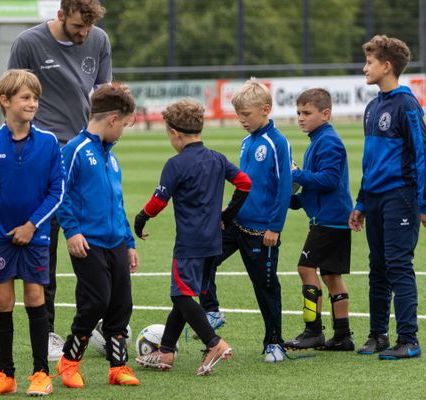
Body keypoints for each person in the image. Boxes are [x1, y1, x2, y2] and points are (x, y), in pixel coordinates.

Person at [7, 0, 112, 360]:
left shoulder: (99, 40)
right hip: (44, 156)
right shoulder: (28, 43)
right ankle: (49, 331)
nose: (85, 34)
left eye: (89, 27)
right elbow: (11, 96)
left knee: (96, 239)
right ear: (62, 14)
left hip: (86, 151)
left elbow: (103, 97)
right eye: (79, 26)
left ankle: (99, 320)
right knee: (46, 248)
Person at [132, 99, 251, 375]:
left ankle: (214, 343)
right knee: (182, 296)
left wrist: (141, 218)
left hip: (189, 243)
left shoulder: (175, 164)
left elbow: (159, 201)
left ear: (174, 133)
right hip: (213, 243)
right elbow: (245, 183)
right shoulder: (217, 158)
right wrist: (228, 215)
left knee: (181, 296)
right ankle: (167, 352)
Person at [0, 69, 65, 396]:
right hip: (0, 236)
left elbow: (57, 191)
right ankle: (5, 375)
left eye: (35, 98)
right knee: (2, 300)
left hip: (35, 236)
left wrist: (32, 224)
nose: (32, 103)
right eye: (25, 97)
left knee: (35, 297)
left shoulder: (49, 142)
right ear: (4, 101)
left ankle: (40, 374)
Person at [199, 78, 293, 362]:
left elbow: (284, 186)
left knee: (265, 287)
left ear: (265, 109)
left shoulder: (277, 142)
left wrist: (274, 227)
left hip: (261, 231)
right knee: (204, 259)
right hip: (236, 224)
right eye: (238, 115)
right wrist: (227, 214)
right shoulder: (245, 141)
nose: (242, 120)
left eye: (247, 115)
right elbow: (243, 186)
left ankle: (274, 343)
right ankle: (212, 310)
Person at [55, 84, 140, 388]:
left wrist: (128, 242)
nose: (123, 133)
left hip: (116, 241)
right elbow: (60, 194)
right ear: (113, 119)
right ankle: (69, 362)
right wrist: (72, 231)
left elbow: (117, 203)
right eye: (125, 126)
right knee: (95, 302)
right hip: (87, 242)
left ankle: (118, 367)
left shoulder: (111, 158)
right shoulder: (75, 150)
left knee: (121, 303)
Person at [349, 35, 426, 359]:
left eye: (369, 62)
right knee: (377, 267)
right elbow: (370, 162)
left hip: (402, 197)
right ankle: (378, 335)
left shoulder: (407, 104)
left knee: (398, 265)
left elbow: (422, 154)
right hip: (376, 198)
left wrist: (423, 202)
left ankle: (408, 340)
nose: (365, 68)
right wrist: (361, 202)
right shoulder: (372, 106)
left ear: (386, 65)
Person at [283, 88, 355, 352]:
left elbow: (328, 180)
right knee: (332, 276)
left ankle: (313, 331)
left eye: (306, 113)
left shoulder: (329, 142)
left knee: (305, 268)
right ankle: (343, 336)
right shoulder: (318, 140)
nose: (300, 118)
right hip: (331, 218)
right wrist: (294, 200)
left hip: (329, 220)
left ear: (325, 114)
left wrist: (297, 174)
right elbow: (317, 187)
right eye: (298, 113)